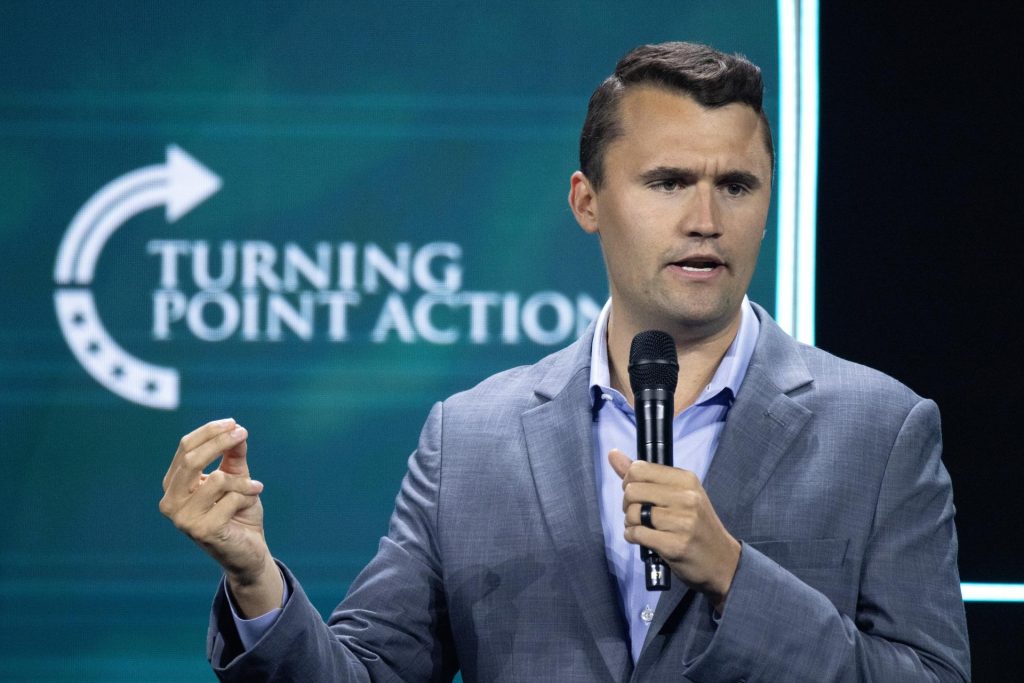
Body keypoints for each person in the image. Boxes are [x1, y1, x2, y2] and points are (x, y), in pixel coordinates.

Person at [160, 41, 971, 681]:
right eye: (668, 182)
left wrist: (733, 574)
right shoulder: (470, 440)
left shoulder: (882, 430)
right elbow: (368, 673)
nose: (705, 218)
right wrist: (256, 580)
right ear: (587, 201)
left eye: (736, 185)